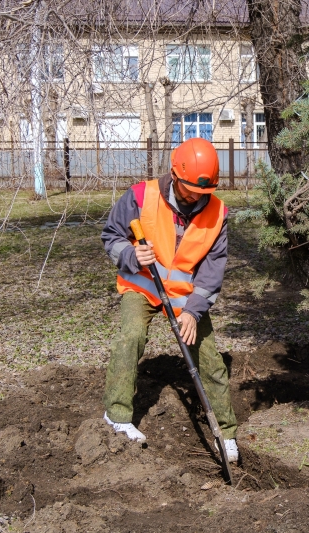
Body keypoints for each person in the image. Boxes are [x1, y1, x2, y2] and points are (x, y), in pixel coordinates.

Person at [99, 137, 239, 461]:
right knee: (131, 336)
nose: (197, 198)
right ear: (175, 176)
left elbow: (212, 270)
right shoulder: (139, 196)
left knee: (209, 358)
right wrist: (132, 254)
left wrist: (193, 312)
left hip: (184, 298)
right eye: (191, 191)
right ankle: (117, 417)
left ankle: (226, 435)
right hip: (143, 284)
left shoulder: (218, 214)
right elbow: (111, 236)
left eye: (204, 193)